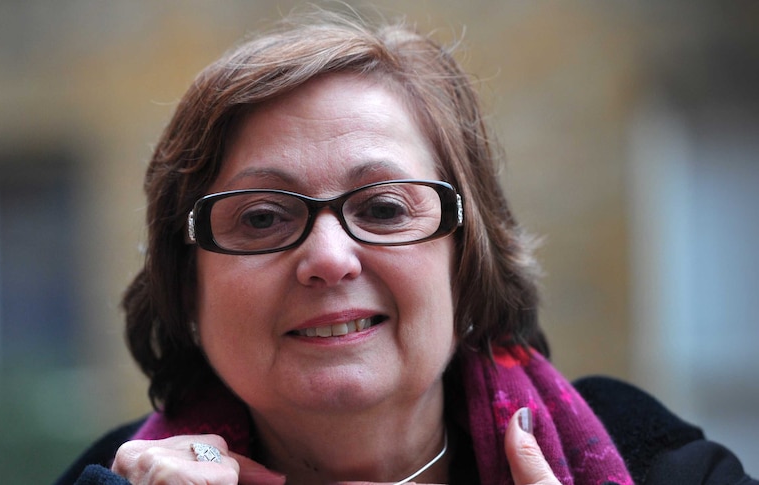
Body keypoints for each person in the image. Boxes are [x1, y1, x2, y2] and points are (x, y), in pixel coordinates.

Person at [56, 9, 757, 485]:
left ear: (468, 260)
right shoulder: (117, 475)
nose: (330, 258)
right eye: (263, 218)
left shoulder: (665, 464)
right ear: (189, 285)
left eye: (385, 207)